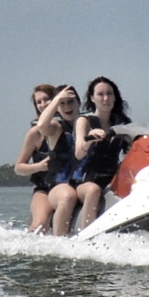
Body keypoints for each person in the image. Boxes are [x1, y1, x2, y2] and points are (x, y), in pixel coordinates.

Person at [75, 76, 132, 228]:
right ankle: (87, 234)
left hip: (113, 178)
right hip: (85, 181)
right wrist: (89, 139)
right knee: (93, 190)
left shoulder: (124, 123)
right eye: (100, 94)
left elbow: (133, 148)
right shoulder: (84, 121)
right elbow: (78, 154)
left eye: (110, 93)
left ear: (115, 97)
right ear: (92, 98)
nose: (106, 98)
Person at [32, 85, 87, 236]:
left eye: (71, 102)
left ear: (78, 103)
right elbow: (42, 126)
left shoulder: (88, 123)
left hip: (81, 183)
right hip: (58, 187)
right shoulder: (56, 127)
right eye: (62, 103)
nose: (67, 107)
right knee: (67, 195)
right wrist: (56, 99)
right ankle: (59, 241)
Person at [13, 84, 57, 233]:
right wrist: (39, 166)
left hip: (68, 188)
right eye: (39, 102)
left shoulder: (74, 126)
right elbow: (19, 168)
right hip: (44, 190)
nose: (43, 104)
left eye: (47, 99)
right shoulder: (35, 133)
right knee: (40, 224)